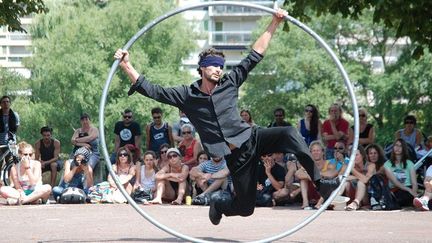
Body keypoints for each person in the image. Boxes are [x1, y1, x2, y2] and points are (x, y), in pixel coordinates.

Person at [114, 8, 319, 225]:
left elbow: (255, 54)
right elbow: (153, 90)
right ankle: (219, 205)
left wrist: (275, 22)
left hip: (252, 138)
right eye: (214, 66)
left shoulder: (230, 82)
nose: (219, 70)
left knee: (288, 132)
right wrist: (126, 64)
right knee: (246, 208)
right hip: (235, 157)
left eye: (221, 67)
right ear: (202, 68)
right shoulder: (186, 95)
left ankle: (320, 180)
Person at [384, 138, 417, 207]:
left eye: (400, 146)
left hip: (408, 188)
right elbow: (395, 182)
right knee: (399, 198)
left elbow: (414, 183)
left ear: (404, 148)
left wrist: (414, 194)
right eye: (396, 145)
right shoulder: (387, 164)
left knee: (407, 197)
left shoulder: (409, 163)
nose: (397, 148)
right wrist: (409, 190)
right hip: (395, 189)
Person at [344, 145, 376, 211]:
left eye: (356, 155)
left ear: (362, 155)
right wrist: (355, 176)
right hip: (352, 195)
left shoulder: (371, 165)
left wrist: (352, 170)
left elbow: (365, 180)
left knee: (361, 183)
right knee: (345, 183)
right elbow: (341, 178)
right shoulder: (349, 165)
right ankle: (333, 201)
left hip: (368, 196)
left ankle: (356, 203)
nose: (354, 158)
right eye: (352, 156)